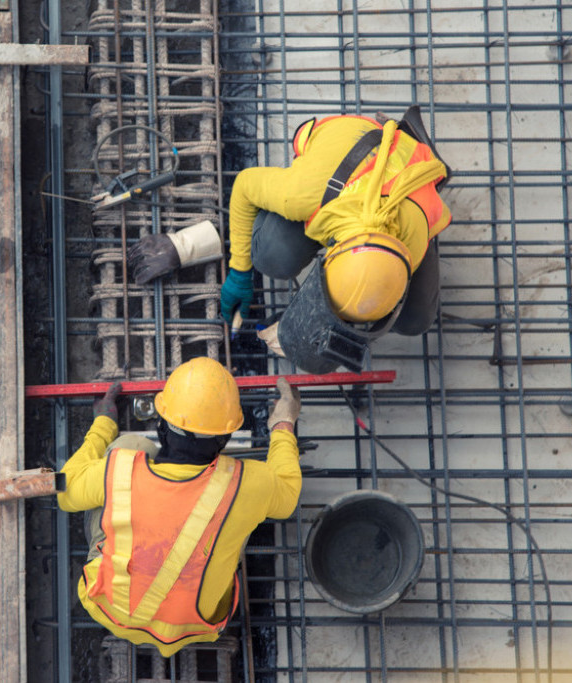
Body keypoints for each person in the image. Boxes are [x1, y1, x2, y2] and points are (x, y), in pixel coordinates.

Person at [57, 357, 302, 657]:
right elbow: (289, 493)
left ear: (162, 427)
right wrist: (283, 423)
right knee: (237, 513)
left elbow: (65, 492)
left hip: (110, 608)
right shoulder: (246, 483)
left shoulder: (121, 470)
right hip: (197, 626)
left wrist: (104, 423)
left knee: (131, 447)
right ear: (225, 438)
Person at [220, 108, 452, 359]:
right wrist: (239, 271)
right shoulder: (302, 194)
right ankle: (402, 134)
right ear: (331, 254)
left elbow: (364, 294)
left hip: (409, 183)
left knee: (414, 320)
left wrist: (305, 324)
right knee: (271, 255)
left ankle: (417, 146)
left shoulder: (415, 238)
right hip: (347, 146)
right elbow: (244, 186)